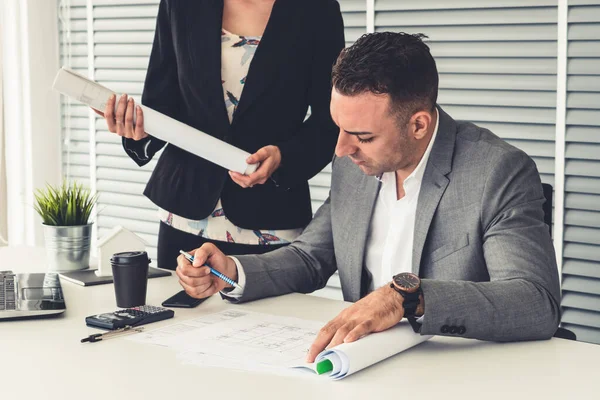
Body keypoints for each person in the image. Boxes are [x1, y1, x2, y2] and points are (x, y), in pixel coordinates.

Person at [175, 32, 561, 362]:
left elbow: (535, 301)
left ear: (418, 125)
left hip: (455, 369)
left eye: (363, 136)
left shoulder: (497, 172)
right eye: (339, 128)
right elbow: (311, 256)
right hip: (362, 364)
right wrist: (231, 271)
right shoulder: (353, 163)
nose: (342, 149)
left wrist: (408, 299)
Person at [96, 0, 345, 269]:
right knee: (182, 311)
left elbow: (331, 119)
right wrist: (135, 130)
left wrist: (283, 157)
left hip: (269, 213)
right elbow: (162, 104)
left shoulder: (317, 9)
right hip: (185, 212)